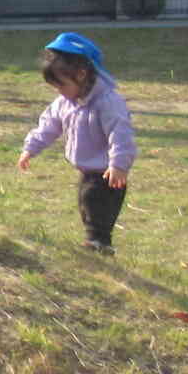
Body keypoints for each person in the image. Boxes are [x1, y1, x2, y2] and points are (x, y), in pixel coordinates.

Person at [16, 32, 136, 255]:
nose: (58, 92)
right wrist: (30, 148)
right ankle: (99, 244)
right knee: (86, 205)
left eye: (61, 85)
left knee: (95, 206)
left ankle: (98, 244)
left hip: (108, 172)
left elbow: (121, 134)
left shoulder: (108, 102)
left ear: (81, 75)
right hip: (87, 169)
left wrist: (119, 164)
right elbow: (48, 125)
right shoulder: (65, 102)